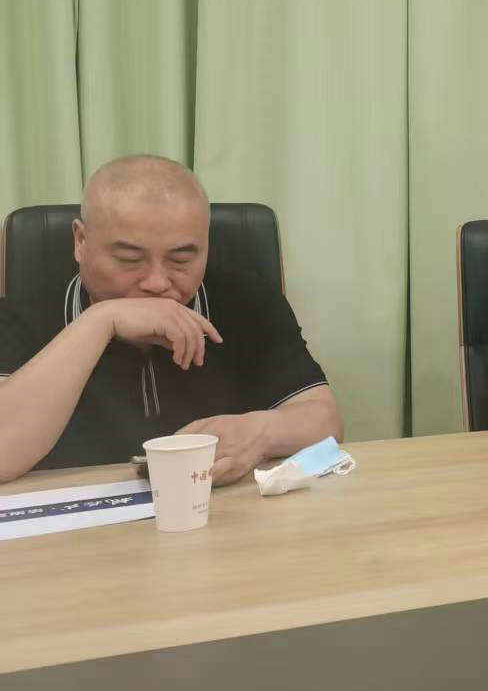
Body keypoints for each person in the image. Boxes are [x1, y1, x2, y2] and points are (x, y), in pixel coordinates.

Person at [0, 155, 341, 484]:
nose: (157, 283)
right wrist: (101, 320)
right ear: (81, 241)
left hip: (224, 511)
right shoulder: (20, 316)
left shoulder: (249, 301)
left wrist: (262, 433)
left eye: (180, 260)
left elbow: (325, 421)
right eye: (130, 259)